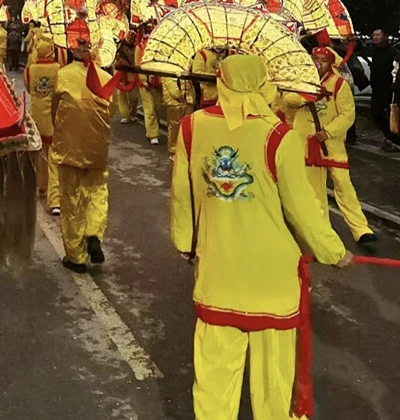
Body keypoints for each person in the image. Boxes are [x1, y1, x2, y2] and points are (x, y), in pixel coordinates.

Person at [171, 54, 353, 420]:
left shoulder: (191, 127)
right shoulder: (279, 136)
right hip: (272, 279)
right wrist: (334, 251)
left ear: (220, 81)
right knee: (274, 385)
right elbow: (303, 210)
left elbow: (183, 195)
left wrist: (186, 245)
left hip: (219, 273)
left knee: (213, 384)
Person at [283, 47, 377, 250]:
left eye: (322, 60)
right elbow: (286, 100)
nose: (318, 63)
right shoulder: (301, 81)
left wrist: (328, 132)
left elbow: (347, 114)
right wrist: (305, 97)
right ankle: (321, 231)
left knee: (344, 186)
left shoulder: (339, 85)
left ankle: (361, 229)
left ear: (330, 63)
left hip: (331, 146)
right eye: (314, 58)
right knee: (313, 190)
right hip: (305, 145)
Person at [51, 20, 114, 273]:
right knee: (97, 192)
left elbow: (55, 110)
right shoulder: (106, 78)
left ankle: (76, 257)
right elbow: (112, 114)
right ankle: (93, 233)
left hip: (69, 147)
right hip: (97, 148)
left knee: (72, 199)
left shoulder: (63, 75)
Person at [24, 38, 62, 216]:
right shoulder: (58, 69)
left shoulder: (30, 69)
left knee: (39, 155)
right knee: (54, 158)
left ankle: (41, 185)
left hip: (36, 118)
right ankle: (54, 200)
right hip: (54, 119)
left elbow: (28, 88)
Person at [368, 28, 400, 148]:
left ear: (385, 36)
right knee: (376, 114)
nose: (375, 37)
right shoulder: (374, 51)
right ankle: (390, 137)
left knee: (391, 116)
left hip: (389, 90)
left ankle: (394, 139)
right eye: (374, 35)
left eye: (378, 35)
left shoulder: (393, 52)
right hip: (376, 89)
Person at [134, 21, 162, 144]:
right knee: (149, 108)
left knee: (157, 107)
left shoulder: (159, 46)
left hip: (157, 80)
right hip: (145, 81)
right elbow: (138, 65)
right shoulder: (139, 47)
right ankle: (153, 134)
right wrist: (143, 79)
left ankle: (152, 129)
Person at [162, 76, 193, 160]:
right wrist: (178, 96)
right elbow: (169, 82)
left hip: (188, 99)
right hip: (174, 101)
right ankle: (173, 151)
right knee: (174, 126)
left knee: (188, 126)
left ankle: (186, 149)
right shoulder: (170, 66)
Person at [115, 29, 139, 124]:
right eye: (128, 36)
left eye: (132, 37)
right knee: (122, 95)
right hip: (120, 72)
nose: (130, 39)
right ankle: (125, 115)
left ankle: (132, 114)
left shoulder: (136, 48)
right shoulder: (120, 45)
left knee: (134, 97)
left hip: (132, 72)